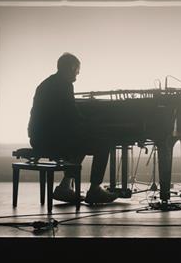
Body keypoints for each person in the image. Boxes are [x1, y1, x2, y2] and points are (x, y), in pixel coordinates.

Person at [28, 53, 118, 204]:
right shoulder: (64, 85)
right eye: (77, 70)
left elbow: (62, 117)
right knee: (103, 144)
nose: (78, 74)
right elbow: (72, 116)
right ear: (70, 68)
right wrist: (92, 124)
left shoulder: (47, 83)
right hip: (50, 140)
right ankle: (95, 190)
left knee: (80, 142)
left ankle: (64, 186)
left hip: (38, 137)